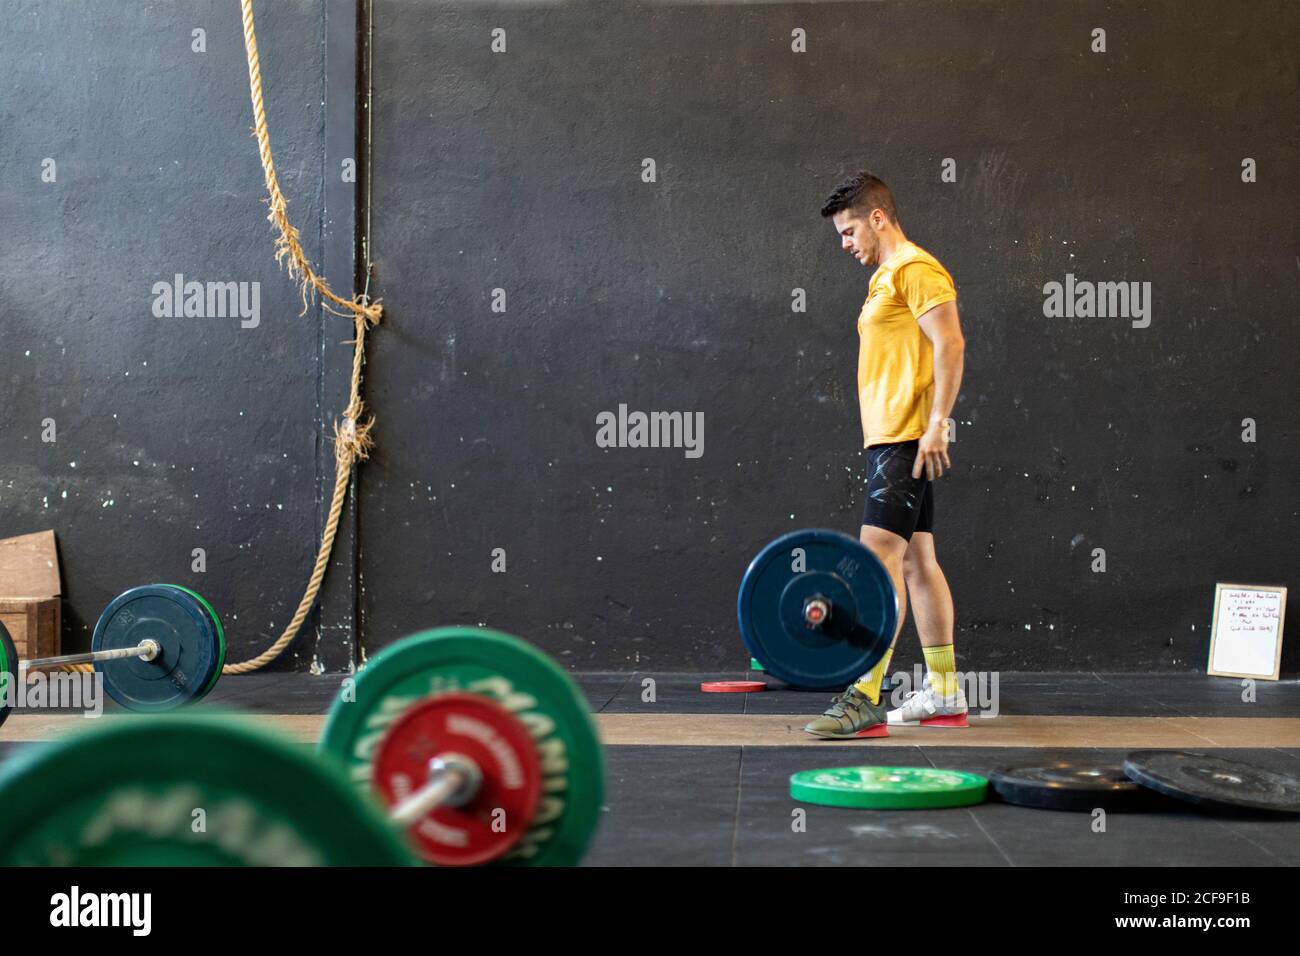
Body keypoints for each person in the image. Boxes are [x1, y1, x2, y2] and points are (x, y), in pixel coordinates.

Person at [804, 170, 969, 739]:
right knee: (918, 563)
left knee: (877, 559)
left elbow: (950, 342)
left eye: (849, 231)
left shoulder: (915, 269)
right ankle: (945, 692)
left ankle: (866, 691)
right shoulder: (884, 280)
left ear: (878, 217)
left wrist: (937, 425)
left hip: (906, 436)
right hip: (891, 438)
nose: (846, 244)